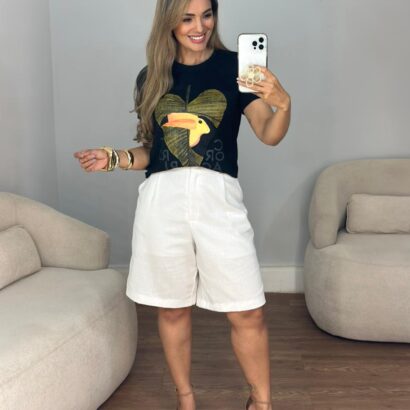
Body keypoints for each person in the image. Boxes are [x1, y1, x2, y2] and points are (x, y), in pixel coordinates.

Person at [74, 0, 291, 408]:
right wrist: (114, 158)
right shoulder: (151, 76)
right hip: (163, 203)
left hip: (218, 201)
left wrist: (283, 103)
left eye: (207, 15)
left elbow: (269, 133)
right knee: (172, 310)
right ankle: (186, 399)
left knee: (247, 311)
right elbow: (154, 152)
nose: (199, 26)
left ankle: (261, 403)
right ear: (169, 22)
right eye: (187, 18)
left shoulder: (236, 68)